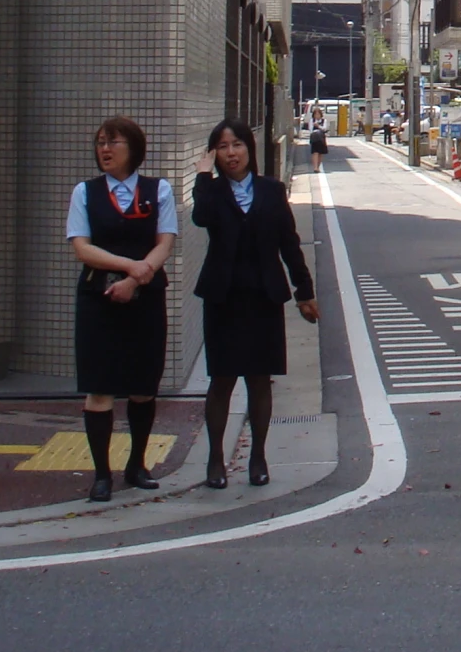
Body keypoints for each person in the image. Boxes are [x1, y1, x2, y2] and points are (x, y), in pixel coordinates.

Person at [191, 118, 317, 489]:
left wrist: (304, 291)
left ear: (250, 149)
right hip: (223, 297)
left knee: (260, 380)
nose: (231, 153)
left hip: (263, 295)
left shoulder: (271, 190)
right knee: (222, 380)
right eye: (223, 147)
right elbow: (200, 217)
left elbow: (289, 244)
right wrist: (201, 176)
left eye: (238, 145)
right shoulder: (212, 193)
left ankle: (258, 456)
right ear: (214, 153)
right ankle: (215, 458)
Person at [67, 116, 178, 502]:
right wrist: (130, 267)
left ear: (134, 148)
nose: (105, 149)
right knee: (99, 388)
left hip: (146, 297)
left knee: (142, 387)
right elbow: (82, 247)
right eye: (100, 142)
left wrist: (136, 279)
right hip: (97, 298)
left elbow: (165, 242)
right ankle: (101, 474)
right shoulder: (85, 192)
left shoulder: (158, 189)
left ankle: (136, 464)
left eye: (113, 142)